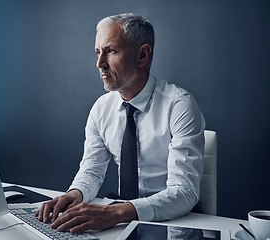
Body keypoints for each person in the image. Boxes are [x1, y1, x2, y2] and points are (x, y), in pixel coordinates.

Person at [35, 13, 205, 234]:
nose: (99, 64)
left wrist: (115, 213)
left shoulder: (179, 106)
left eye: (111, 51)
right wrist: (74, 193)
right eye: (97, 52)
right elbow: (92, 171)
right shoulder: (101, 108)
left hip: (175, 225)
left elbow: (184, 193)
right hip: (123, 221)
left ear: (142, 55)